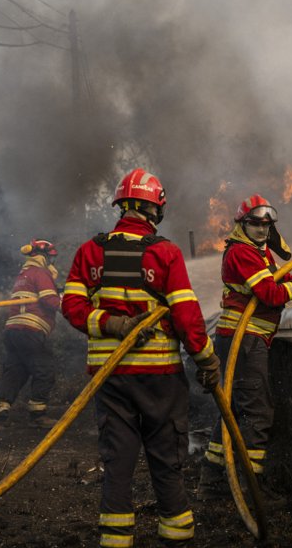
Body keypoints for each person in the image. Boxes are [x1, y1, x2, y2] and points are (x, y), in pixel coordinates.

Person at [62, 168, 222, 548]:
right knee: (166, 461)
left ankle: (116, 541)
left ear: (122, 206)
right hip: (159, 380)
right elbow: (187, 317)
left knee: (117, 463)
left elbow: (71, 307)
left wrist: (109, 324)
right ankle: (177, 538)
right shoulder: (164, 253)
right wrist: (207, 360)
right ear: (154, 209)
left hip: (110, 380)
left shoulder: (90, 252)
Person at [199, 194, 292, 497]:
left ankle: (212, 480)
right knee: (258, 412)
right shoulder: (243, 253)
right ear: (242, 224)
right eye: (255, 223)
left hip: (242, 340)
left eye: (266, 224)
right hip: (245, 341)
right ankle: (250, 487)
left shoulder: (258, 252)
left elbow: (277, 280)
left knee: (231, 410)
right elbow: (270, 293)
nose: (261, 229)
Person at [0, 239, 62, 429]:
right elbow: (49, 299)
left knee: (15, 371)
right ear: (43, 256)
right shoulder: (41, 273)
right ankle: (38, 415)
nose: (52, 262)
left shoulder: (23, 275)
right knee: (44, 369)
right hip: (31, 331)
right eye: (51, 258)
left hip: (13, 332)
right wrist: (68, 306)